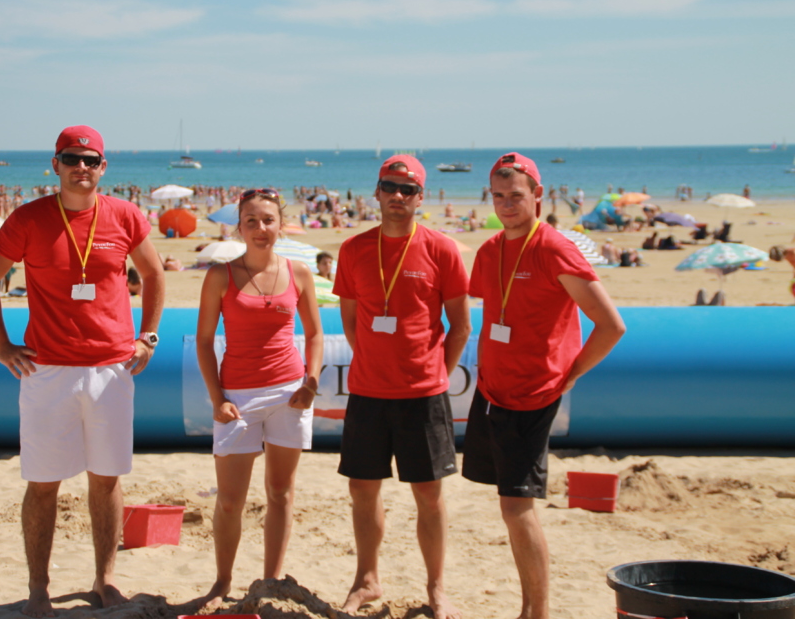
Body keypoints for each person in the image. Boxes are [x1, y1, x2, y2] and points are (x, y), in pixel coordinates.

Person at [0, 125, 166, 617]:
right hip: (47, 370)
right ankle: (38, 589)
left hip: (111, 368)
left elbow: (154, 274)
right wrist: (0, 345)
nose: (82, 167)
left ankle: (105, 580)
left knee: (106, 479)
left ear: (104, 167)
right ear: (55, 164)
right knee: (43, 484)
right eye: (72, 158)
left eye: (91, 159)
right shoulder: (30, 218)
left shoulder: (124, 214)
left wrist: (149, 337)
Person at [464, 152, 625, 619]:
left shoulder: (556, 248)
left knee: (518, 507)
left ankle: (537, 612)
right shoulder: (490, 250)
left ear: (538, 194)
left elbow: (611, 326)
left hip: (532, 396)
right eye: (498, 196)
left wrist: (570, 373)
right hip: (492, 390)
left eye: (516, 195)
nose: (507, 204)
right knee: (507, 504)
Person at [333, 155, 471, 619]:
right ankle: (366, 580)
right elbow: (350, 322)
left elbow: (460, 326)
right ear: (375, 191)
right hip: (369, 393)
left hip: (423, 395)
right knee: (362, 490)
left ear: (420, 197)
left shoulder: (442, 249)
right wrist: (374, 357)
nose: (397, 197)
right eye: (390, 187)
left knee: (429, 497)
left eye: (407, 190)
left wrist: (435, 372)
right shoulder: (353, 250)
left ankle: (436, 588)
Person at [195, 188, 323, 609]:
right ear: (240, 227)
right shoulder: (221, 275)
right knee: (230, 502)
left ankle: (270, 580)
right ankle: (221, 582)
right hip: (238, 397)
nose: (261, 228)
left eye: (268, 220)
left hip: (290, 394)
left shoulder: (299, 272)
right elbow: (203, 341)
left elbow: (316, 334)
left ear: (280, 224)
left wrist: (311, 380)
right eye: (251, 221)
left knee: (281, 493)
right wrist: (217, 399)